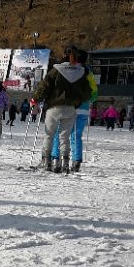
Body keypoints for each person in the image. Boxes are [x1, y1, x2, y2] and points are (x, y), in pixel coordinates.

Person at [36, 44, 89, 173]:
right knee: (64, 137)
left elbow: (45, 86)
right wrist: (77, 101)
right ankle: (65, 162)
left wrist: (36, 99)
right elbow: (87, 93)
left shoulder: (56, 70)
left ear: (63, 55)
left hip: (54, 107)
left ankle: (47, 161)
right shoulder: (81, 72)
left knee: (49, 134)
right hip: (70, 109)